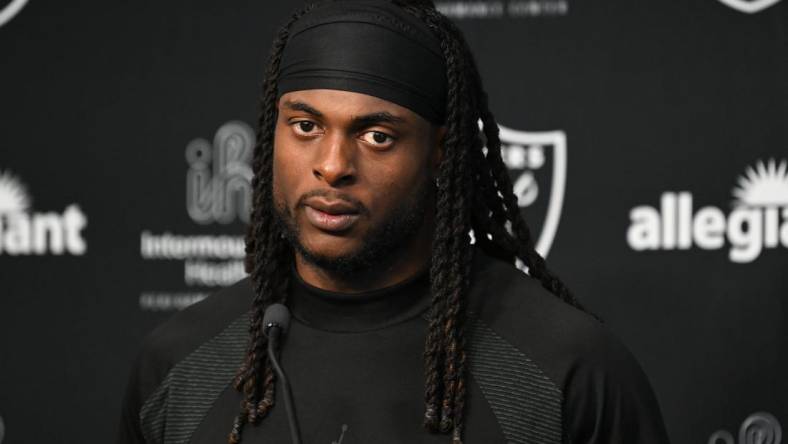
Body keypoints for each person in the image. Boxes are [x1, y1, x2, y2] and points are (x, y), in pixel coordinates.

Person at [116, 0, 672, 443]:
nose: (332, 166)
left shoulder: (568, 371)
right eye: (306, 126)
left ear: (439, 152)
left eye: (376, 136)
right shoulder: (176, 368)